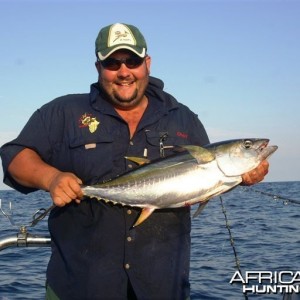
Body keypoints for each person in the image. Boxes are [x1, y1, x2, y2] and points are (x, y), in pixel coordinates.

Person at [0, 23, 269, 299]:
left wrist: (242, 175)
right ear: (98, 67)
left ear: (147, 63)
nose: (124, 71)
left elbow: (203, 184)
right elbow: (14, 156)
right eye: (112, 63)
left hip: (162, 286)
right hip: (79, 285)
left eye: (133, 60)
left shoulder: (182, 117)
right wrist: (51, 178)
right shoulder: (64, 112)